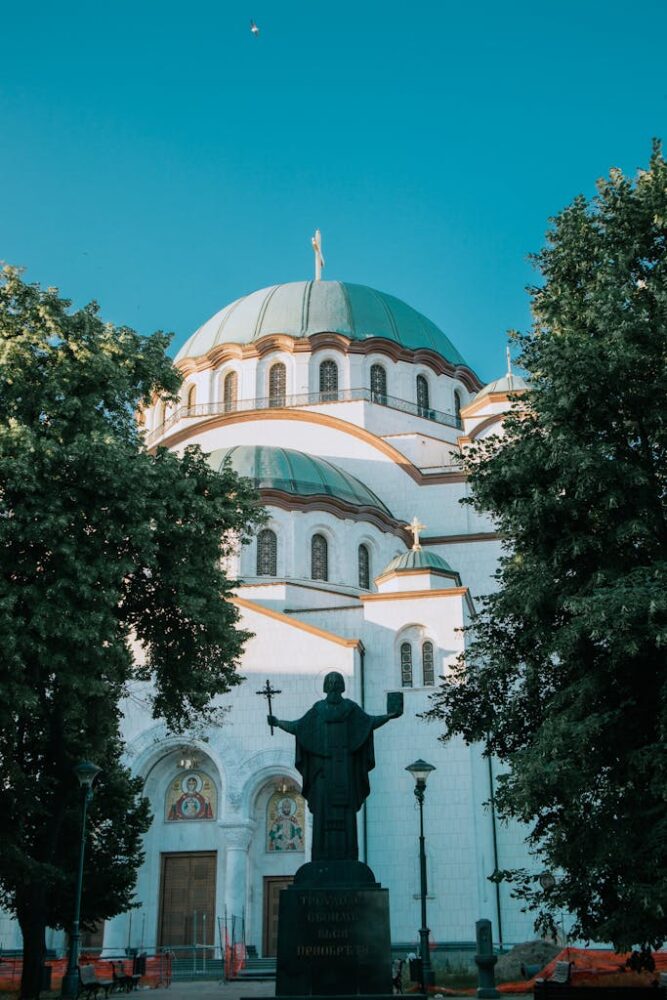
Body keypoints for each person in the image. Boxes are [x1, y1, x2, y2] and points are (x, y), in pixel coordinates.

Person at [268, 671, 402, 861]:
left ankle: (341, 857)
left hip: (336, 774)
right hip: (331, 774)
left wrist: (388, 716)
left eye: (334, 683)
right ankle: (326, 857)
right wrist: (279, 723)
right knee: (327, 812)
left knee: (339, 812)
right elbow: (299, 727)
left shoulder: (343, 710)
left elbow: (368, 723)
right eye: (331, 684)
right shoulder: (329, 709)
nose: (332, 687)